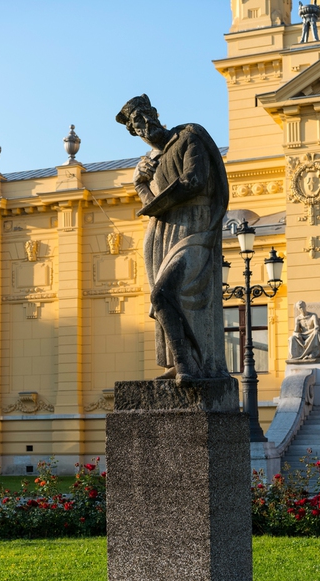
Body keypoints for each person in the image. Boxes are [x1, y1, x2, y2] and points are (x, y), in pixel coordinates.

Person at [116, 94, 230, 380]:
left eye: (145, 117)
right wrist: (140, 182)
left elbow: (195, 180)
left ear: (154, 114)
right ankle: (180, 363)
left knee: (164, 294)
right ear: (134, 132)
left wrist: (154, 199)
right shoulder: (150, 163)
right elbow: (150, 201)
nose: (143, 125)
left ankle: (187, 365)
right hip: (162, 233)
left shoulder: (188, 137)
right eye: (136, 124)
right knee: (166, 298)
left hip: (195, 228)